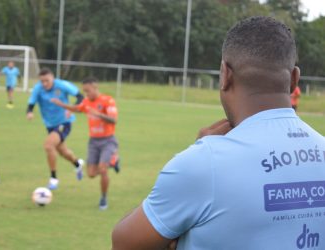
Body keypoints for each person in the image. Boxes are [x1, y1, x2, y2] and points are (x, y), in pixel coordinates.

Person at [112, 16, 325, 250]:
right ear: (295, 79)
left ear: (225, 74)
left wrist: (200, 156)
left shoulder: (204, 162)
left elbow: (124, 244)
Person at [51, 77, 120, 210]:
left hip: (108, 140)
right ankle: (113, 161)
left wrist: (98, 114)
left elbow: (114, 120)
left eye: (88, 91)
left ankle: (103, 199)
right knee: (91, 173)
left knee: (103, 170)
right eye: (84, 91)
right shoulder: (87, 101)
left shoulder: (107, 100)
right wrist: (62, 105)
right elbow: (78, 108)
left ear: (95, 87)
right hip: (93, 141)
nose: (86, 94)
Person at [27, 68, 85, 190]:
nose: (44, 84)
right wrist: (29, 112)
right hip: (50, 125)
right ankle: (77, 164)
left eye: (47, 81)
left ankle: (53, 178)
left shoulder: (62, 85)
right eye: (42, 81)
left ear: (53, 77)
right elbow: (31, 103)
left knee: (48, 145)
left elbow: (80, 96)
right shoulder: (38, 88)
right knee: (62, 152)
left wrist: (71, 108)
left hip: (64, 122)